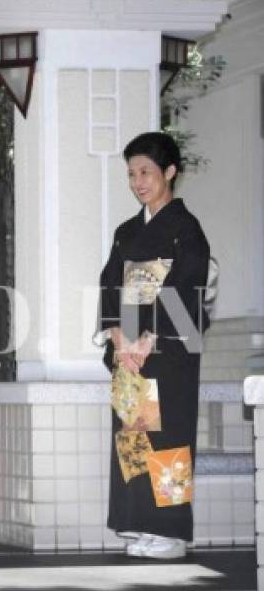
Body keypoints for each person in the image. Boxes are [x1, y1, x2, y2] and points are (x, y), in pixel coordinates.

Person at [97, 131, 210, 560]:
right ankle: (139, 522)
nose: (138, 181)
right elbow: (110, 284)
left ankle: (170, 530)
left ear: (170, 172)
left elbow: (187, 286)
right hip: (129, 347)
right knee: (133, 436)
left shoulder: (187, 230)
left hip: (168, 349)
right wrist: (117, 334)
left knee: (169, 437)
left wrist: (150, 337)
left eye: (146, 171)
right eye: (131, 173)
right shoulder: (126, 232)